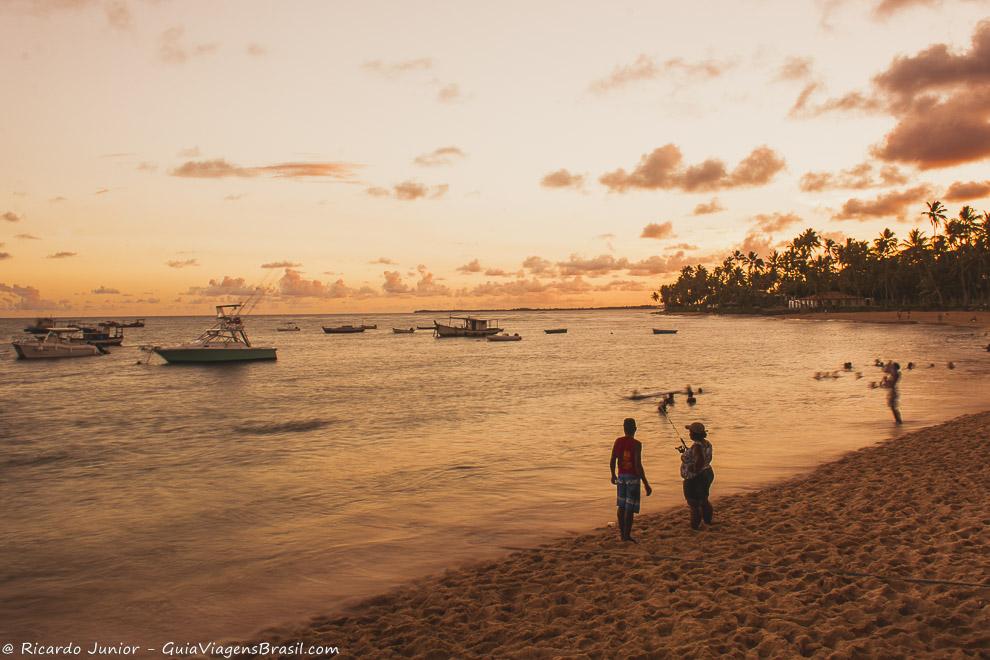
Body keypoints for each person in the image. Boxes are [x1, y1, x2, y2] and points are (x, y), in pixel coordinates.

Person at [610, 418, 652, 542]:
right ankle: (626, 535)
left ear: (624, 428)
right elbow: (638, 465)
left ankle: (622, 534)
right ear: (635, 429)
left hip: (621, 477)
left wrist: (613, 475)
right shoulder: (637, 444)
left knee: (621, 506)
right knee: (629, 508)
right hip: (632, 478)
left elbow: (613, 459)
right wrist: (646, 483)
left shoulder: (618, 441)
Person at [679, 422, 714, 530]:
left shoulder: (697, 446)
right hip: (707, 473)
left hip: (696, 478)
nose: (689, 434)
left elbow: (699, 461)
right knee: (704, 499)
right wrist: (686, 452)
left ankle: (695, 526)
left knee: (693, 503)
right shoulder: (706, 443)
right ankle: (708, 521)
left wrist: (691, 468)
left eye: (690, 432)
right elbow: (700, 457)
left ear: (694, 434)